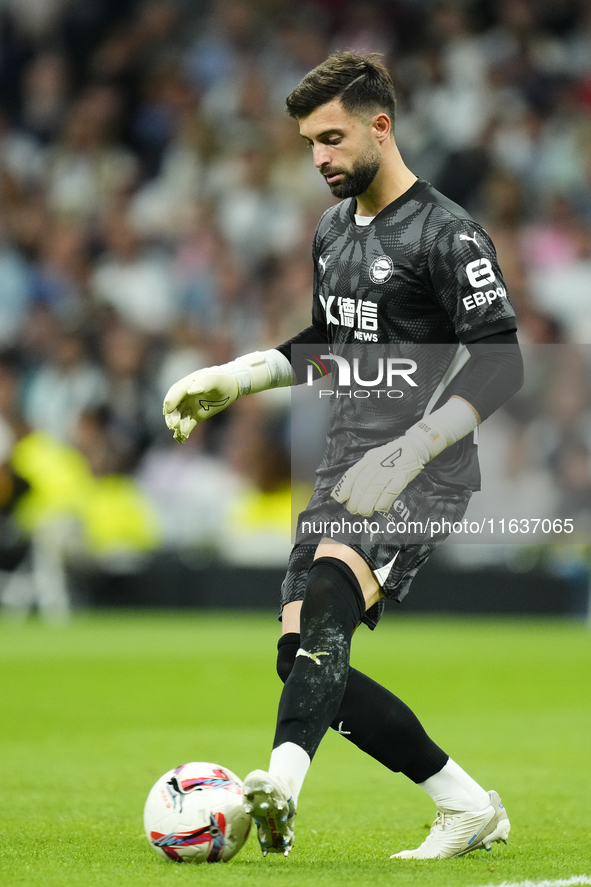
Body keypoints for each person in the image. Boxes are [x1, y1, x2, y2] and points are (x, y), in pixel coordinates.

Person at [163, 51, 523, 860]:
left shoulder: (447, 233)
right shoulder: (332, 230)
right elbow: (333, 346)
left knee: (327, 598)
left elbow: (503, 362)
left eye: (331, 138)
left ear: (379, 125)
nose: (319, 157)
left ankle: (277, 793)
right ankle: (465, 804)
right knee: (303, 657)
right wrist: (238, 376)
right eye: (308, 143)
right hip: (345, 462)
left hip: (422, 462)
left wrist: (416, 445)